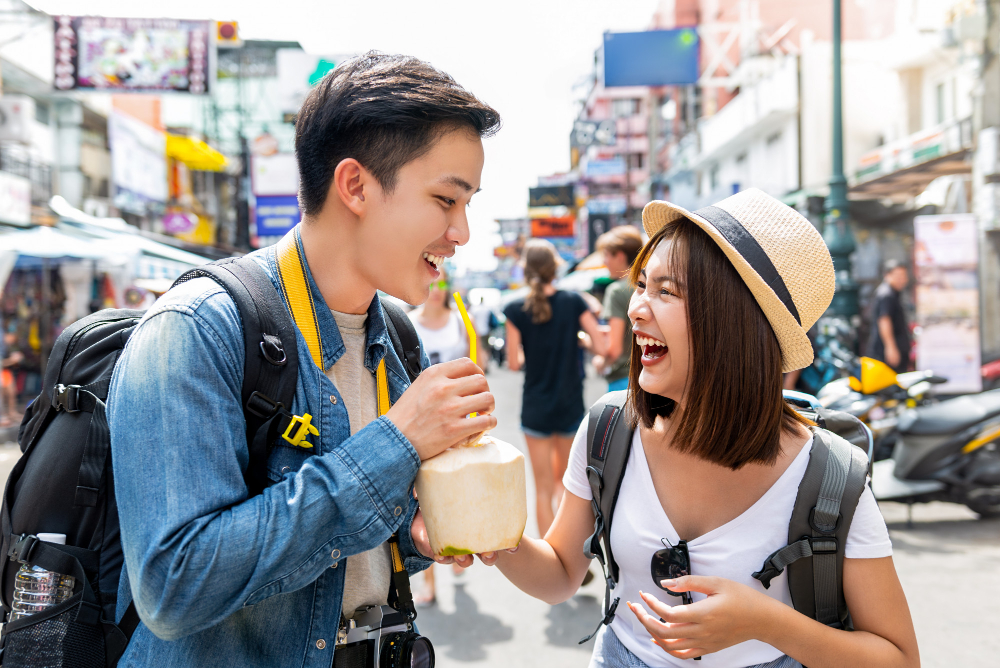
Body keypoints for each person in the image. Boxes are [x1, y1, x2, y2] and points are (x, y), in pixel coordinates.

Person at [107, 53, 500, 665]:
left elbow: (346, 552)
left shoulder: (394, 336)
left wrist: (419, 537)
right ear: (356, 186)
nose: (463, 232)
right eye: (447, 200)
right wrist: (398, 441)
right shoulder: (196, 329)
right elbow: (173, 586)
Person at [482, 190, 918, 668]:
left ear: (733, 320)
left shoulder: (830, 476)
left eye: (665, 292)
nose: (635, 308)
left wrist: (765, 622)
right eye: (642, 285)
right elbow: (562, 573)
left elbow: (898, 658)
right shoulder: (610, 429)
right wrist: (489, 531)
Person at [503, 240, 607, 536]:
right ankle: (570, 546)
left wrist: (531, 351)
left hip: (535, 406)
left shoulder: (515, 309)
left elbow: (513, 362)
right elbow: (600, 344)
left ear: (525, 270)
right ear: (554, 268)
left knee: (543, 488)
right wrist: (579, 341)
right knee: (569, 483)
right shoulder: (574, 301)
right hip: (569, 402)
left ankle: (550, 555)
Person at [407, 269, 486, 606]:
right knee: (421, 498)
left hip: (459, 423)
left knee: (456, 491)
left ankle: (458, 547)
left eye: (443, 284)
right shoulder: (405, 322)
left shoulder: (460, 321)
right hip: (421, 423)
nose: (437, 289)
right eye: (433, 282)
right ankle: (430, 582)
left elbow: (477, 368)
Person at [594, 225, 644, 392]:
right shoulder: (652, 285)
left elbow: (614, 350)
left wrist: (600, 361)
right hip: (652, 375)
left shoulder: (616, 291)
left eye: (606, 255)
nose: (604, 261)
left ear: (620, 256)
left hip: (624, 381)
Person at [866, 260, 911, 373]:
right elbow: (884, 320)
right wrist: (890, 347)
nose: (902, 279)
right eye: (898, 276)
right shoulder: (886, 294)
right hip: (886, 353)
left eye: (904, 276)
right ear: (887, 275)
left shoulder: (892, 293)